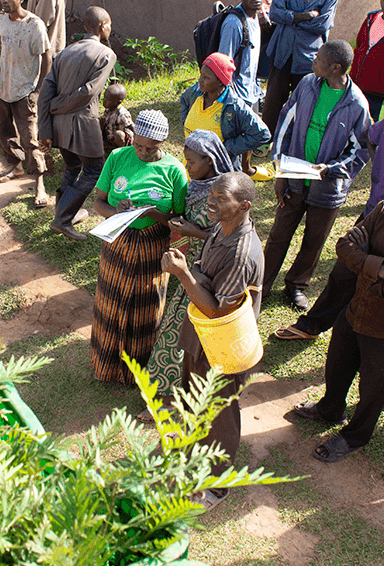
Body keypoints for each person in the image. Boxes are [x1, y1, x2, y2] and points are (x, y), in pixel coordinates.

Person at [289, 165, 384, 462]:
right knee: (337, 368)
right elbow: (344, 246)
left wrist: (364, 265)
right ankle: (329, 410)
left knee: (372, 391)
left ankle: (355, 437)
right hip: (354, 312)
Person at [273, 83, 384, 341]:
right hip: (374, 213)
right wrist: (378, 169)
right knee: (343, 271)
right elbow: (371, 138)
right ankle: (311, 326)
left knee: (380, 287)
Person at [161, 171, 263, 510]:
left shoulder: (242, 253)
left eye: (221, 199)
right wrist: (196, 276)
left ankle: (217, 485)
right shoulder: (221, 227)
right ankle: (193, 453)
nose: (211, 202)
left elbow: (217, 309)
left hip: (224, 344)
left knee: (219, 411)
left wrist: (184, 274)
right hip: (201, 335)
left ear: (244, 206)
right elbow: (205, 274)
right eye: (213, 195)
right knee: (194, 396)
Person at [263, 40, 371, 311]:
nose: (313, 60)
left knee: (314, 238)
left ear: (335, 67)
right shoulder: (307, 85)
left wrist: (330, 168)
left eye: (318, 58)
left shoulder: (356, 103)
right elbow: (285, 124)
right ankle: (261, 284)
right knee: (279, 232)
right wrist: (280, 171)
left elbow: (359, 150)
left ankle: (296, 285)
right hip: (294, 177)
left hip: (327, 187)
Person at [90, 110, 188, 384]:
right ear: (132, 139)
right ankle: (106, 366)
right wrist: (115, 211)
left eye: (151, 148)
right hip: (118, 242)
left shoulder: (174, 171)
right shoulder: (117, 158)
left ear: (163, 144)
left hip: (153, 247)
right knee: (111, 303)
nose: (143, 152)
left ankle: (137, 372)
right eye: (139, 146)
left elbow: (179, 220)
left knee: (146, 306)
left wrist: (154, 213)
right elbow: (99, 202)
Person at [144, 130, 236, 402]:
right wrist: (153, 213)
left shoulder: (224, 195)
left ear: (209, 161)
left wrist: (192, 232)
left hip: (208, 273)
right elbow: (184, 219)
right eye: (185, 161)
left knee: (182, 334)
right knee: (176, 327)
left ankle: (171, 397)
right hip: (191, 268)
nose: (187, 167)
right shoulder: (196, 186)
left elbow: (230, 240)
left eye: (192, 162)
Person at [37, 6, 117, 240]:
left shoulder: (64, 53)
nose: (110, 28)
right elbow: (89, 92)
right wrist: (58, 106)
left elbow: (45, 93)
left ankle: (63, 215)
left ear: (85, 27)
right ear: (103, 26)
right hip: (83, 123)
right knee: (94, 169)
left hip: (59, 125)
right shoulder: (106, 54)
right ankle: (62, 219)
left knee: (73, 166)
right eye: (109, 24)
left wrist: (46, 125)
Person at [263, 0, 339, 135]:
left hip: (309, 56)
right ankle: (264, 139)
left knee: (304, 101)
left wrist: (291, 18)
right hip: (283, 49)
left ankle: (294, 140)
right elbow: (275, 13)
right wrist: (305, 16)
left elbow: (321, 24)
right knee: (273, 98)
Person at [0, 0, 51, 208]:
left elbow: (47, 59)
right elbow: (5, 49)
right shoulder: (1, 20)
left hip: (25, 89)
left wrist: (37, 91)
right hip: (3, 87)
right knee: (4, 130)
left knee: (30, 138)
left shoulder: (34, 25)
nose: (5, 1)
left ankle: (39, 184)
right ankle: (15, 165)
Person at [177, 53, 271, 174]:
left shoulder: (235, 107)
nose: (200, 80)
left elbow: (262, 134)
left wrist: (228, 148)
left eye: (206, 77)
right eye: (201, 75)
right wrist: (185, 121)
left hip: (217, 176)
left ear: (221, 81)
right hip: (190, 170)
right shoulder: (196, 92)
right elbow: (184, 98)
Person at [218, 0, 266, 109]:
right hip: (236, 99)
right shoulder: (234, 24)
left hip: (251, 94)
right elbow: (223, 65)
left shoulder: (254, 17)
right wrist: (231, 100)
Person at [100, 83, 133, 156]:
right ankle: (106, 147)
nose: (104, 101)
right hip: (111, 137)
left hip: (121, 140)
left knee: (119, 134)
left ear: (118, 102)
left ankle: (123, 153)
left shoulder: (122, 114)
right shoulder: (108, 110)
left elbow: (132, 127)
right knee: (99, 122)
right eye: (104, 98)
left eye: (107, 99)